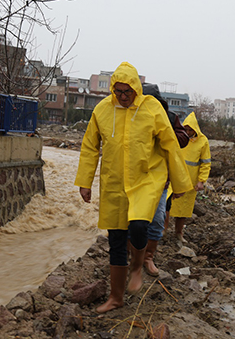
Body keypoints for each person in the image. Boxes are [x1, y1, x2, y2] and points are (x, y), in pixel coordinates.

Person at [74, 62, 192, 314]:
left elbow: (170, 144)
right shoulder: (102, 111)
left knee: (139, 225)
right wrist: (85, 182)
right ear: (113, 90)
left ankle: (138, 266)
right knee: (116, 240)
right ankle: (116, 297)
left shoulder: (151, 109)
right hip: (114, 181)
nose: (124, 96)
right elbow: (89, 146)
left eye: (128, 91)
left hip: (146, 180)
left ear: (137, 89)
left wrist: (180, 184)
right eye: (119, 92)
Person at [140, 83, 189, 276]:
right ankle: (132, 255)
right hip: (134, 179)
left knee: (158, 220)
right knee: (132, 220)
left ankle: (148, 257)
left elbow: (183, 138)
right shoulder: (131, 116)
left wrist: (164, 134)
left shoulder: (169, 118)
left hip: (160, 180)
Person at [165, 111, 211, 243]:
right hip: (173, 178)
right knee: (165, 206)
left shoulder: (203, 142)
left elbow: (205, 163)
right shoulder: (178, 137)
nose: (188, 132)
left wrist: (201, 181)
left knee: (183, 211)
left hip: (189, 182)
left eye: (190, 129)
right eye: (186, 129)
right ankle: (163, 232)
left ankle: (178, 234)